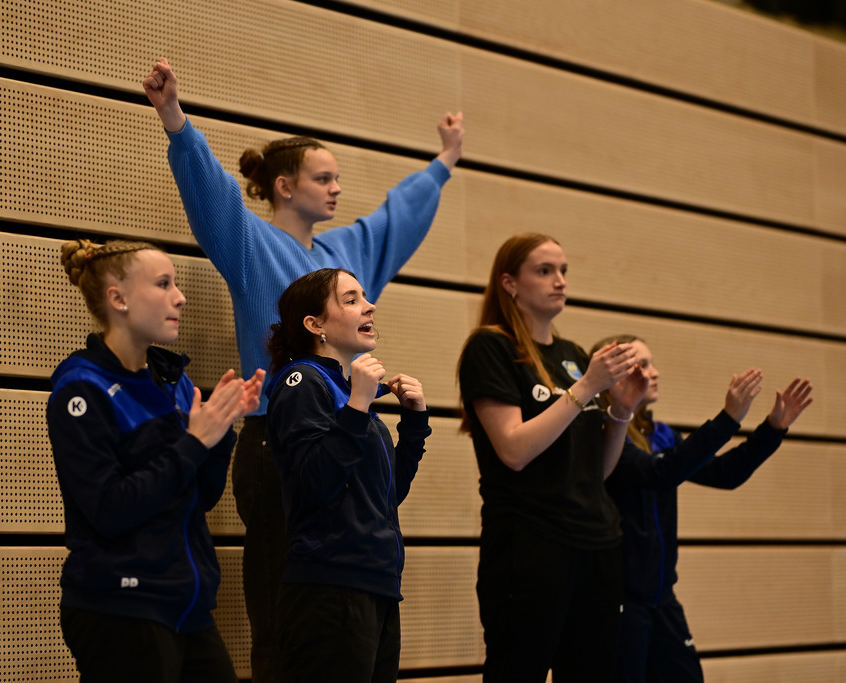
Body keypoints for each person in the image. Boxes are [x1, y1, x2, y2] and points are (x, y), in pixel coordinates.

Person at [143, 56, 463, 681]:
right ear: (285, 186)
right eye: (324, 178)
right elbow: (213, 196)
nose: (337, 188)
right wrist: (175, 118)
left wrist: (444, 162)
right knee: (282, 613)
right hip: (275, 434)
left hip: (347, 427)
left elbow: (397, 218)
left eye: (339, 177)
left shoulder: (346, 253)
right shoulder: (251, 242)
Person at [47, 238, 265, 682]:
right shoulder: (80, 389)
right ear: (118, 299)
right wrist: (194, 442)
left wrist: (219, 434)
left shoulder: (175, 384)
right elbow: (109, 509)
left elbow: (199, 497)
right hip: (121, 605)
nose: (179, 297)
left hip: (186, 605)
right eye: (164, 284)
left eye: (176, 284)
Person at [456, 233, 647, 683]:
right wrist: (585, 390)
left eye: (563, 271)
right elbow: (514, 450)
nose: (560, 281)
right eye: (544, 271)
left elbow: (595, 471)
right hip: (531, 545)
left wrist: (621, 410)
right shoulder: (491, 348)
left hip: (596, 544)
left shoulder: (575, 356)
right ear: (510, 283)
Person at [593, 335, 814, 683]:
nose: (656, 372)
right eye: (644, 365)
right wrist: (728, 418)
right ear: (616, 375)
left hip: (662, 600)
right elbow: (662, 473)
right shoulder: (607, 433)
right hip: (621, 603)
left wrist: (772, 430)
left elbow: (724, 475)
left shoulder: (662, 434)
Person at [264, 268, 429, 683]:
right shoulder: (302, 382)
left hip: (377, 584)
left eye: (365, 297)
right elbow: (318, 481)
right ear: (315, 325)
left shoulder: (347, 393)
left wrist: (412, 426)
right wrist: (357, 405)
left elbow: (385, 497)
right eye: (351, 299)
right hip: (328, 587)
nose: (369, 305)